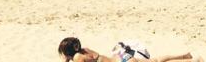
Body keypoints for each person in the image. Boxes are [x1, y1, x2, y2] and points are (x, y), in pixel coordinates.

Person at [57, 37, 195, 62]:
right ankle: (186, 57)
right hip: (123, 58)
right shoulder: (85, 50)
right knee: (156, 60)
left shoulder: (77, 58)